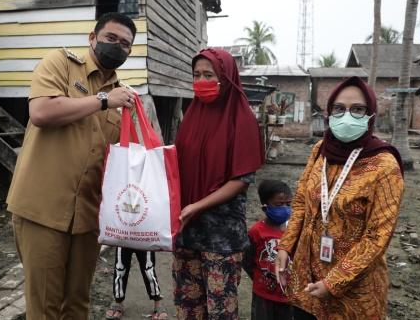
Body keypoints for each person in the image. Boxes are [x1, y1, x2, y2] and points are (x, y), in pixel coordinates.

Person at [6, 12, 138, 319]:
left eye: (126, 44)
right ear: (92, 38)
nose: (118, 47)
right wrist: (104, 99)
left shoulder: (125, 96)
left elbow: (124, 157)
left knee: (77, 305)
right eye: (111, 38)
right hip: (42, 211)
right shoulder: (61, 64)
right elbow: (41, 111)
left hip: (88, 218)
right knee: (44, 309)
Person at [275, 76, 405, 320]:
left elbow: (378, 236)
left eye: (357, 109)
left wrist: (333, 283)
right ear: (329, 112)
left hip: (353, 294)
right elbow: (302, 200)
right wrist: (286, 246)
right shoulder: (320, 150)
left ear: (371, 114)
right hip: (306, 282)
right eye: (339, 109)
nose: (347, 116)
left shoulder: (384, 164)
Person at [173, 48, 264, 319]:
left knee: (220, 309)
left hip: (221, 234)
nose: (201, 81)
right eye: (196, 75)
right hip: (187, 229)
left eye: (208, 75)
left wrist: (198, 206)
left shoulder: (242, 118)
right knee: (189, 305)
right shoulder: (191, 115)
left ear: (225, 77)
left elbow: (241, 180)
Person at [243, 180, 293, 320]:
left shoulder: (294, 231)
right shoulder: (256, 232)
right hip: (263, 295)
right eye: (279, 205)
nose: (285, 208)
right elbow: (247, 261)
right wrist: (260, 277)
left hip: (289, 296)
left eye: (288, 204)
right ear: (265, 207)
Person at [105, 247, 168, 320]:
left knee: (149, 270)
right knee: (120, 268)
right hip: (123, 238)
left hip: (145, 238)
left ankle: (158, 304)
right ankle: (118, 302)